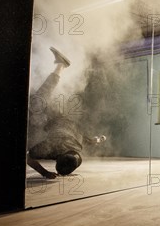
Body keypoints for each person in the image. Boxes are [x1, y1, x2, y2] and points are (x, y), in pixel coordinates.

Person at [26, 47, 106, 179]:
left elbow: (90, 140)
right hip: (53, 119)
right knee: (38, 100)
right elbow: (27, 158)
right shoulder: (52, 148)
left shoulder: (78, 146)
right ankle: (61, 65)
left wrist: (100, 139)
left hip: (66, 123)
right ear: (57, 157)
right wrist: (44, 173)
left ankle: (60, 66)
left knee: (39, 101)